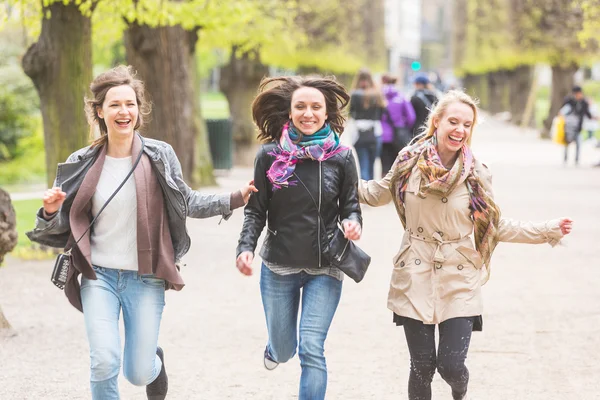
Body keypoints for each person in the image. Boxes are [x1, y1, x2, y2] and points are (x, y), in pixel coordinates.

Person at [26, 65, 256, 400]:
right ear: (100, 111)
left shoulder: (158, 154)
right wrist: (49, 210)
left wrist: (235, 198)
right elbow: (58, 224)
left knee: (137, 371)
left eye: (130, 104)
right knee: (104, 361)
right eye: (115, 104)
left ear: (138, 110)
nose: (124, 111)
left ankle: (154, 365)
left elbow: (187, 200)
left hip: (145, 276)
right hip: (97, 276)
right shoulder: (82, 160)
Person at [358, 90, 573, 400]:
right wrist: (333, 177)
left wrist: (546, 230)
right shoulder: (408, 162)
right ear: (436, 123)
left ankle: (460, 392)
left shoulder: (477, 175)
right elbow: (377, 193)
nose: (460, 130)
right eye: (453, 122)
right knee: (422, 366)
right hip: (415, 269)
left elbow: (494, 225)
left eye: (467, 124)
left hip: (459, 274)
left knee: (451, 365)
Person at [236, 76, 363, 400]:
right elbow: (256, 210)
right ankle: (275, 351)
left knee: (311, 347)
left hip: (326, 266)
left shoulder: (343, 156)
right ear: (289, 113)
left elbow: (351, 206)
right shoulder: (268, 156)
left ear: (326, 112)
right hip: (279, 266)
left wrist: (352, 223)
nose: (309, 113)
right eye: (301, 107)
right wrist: (246, 248)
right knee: (284, 350)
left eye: (316, 107)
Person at [349, 68, 386, 180]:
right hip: (375, 133)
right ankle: (371, 194)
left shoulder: (354, 95)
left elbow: (351, 113)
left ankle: (365, 193)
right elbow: (381, 114)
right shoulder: (378, 95)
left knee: (363, 166)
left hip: (359, 133)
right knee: (372, 166)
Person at [380, 74, 416, 174]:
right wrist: (404, 127)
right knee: (399, 164)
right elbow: (411, 117)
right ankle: (396, 187)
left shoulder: (380, 97)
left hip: (384, 136)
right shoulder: (401, 97)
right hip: (399, 135)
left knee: (385, 165)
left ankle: (384, 186)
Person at [560, 86, 592, 166]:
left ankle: (576, 159)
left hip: (578, 126)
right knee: (567, 142)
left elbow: (587, 113)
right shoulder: (569, 101)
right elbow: (563, 110)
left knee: (578, 143)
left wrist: (593, 117)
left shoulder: (584, 102)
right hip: (569, 126)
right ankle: (565, 159)